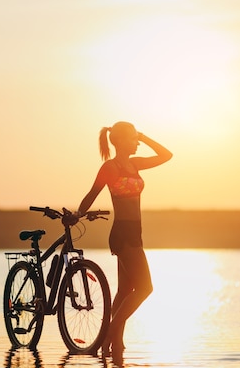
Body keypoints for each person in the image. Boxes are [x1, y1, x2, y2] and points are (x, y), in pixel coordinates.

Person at [76, 121, 172, 359]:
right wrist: (78, 214)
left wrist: (143, 135)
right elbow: (92, 193)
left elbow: (166, 155)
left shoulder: (136, 164)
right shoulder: (111, 167)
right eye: (132, 138)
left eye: (136, 138)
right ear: (118, 141)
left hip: (135, 233)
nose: (136, 142)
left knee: (125, 291)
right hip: (122, 234)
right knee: (145, 287)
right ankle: (108, 334)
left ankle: (116, 345)